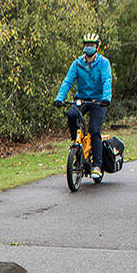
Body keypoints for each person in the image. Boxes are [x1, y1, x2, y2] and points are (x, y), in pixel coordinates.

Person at [52, 33, 113, 179]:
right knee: (72, 114)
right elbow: (68, 81)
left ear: (97, 47)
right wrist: (59, 98)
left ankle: (97, 165)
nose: (89, 47)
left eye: (92, 45)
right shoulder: (77, 63)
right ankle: (77, 144)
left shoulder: (103, 63)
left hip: (98, 101)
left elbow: (107, 80)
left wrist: (106, 98)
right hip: (82, 99)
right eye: (87, 45)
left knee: (94, 129)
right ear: (83, 46)